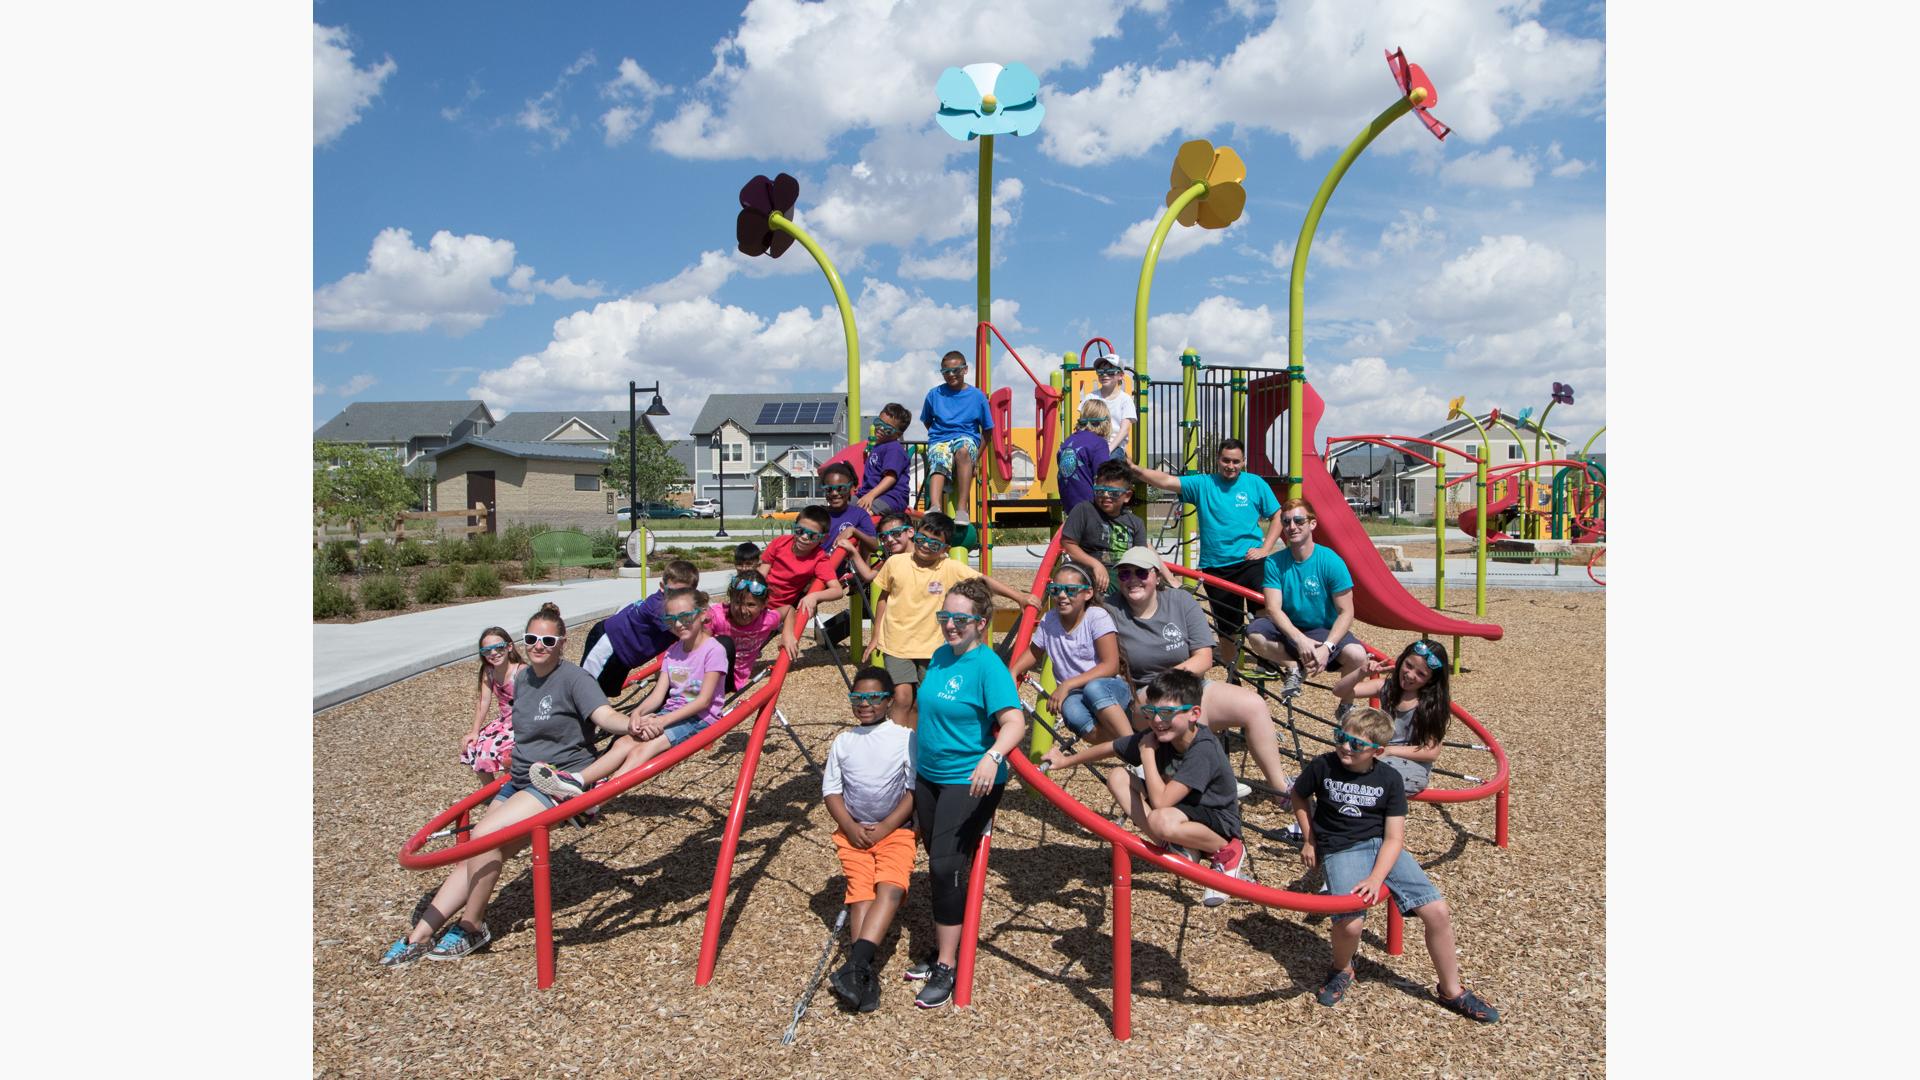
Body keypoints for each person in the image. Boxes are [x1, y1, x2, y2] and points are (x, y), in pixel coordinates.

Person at [380, 603, 632, 966]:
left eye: (547, 639)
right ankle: (419, 934)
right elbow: (515, 720)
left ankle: (473, 926)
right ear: (523, 642)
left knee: (484, 837)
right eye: (532, 639)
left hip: (553, 782)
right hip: (520, 780)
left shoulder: (575, 679)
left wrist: (633, 724)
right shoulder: (524, 679)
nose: (539, 645)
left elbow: (604, 716)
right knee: (474, 854)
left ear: (563, 642)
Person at [1291, 706, 1498, 1022]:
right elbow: (1299, 796)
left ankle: (1451, 990)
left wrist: (1377, 878)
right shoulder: (1323, 766)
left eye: (1356, 744)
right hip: (1341, 847)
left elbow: (1393, 838)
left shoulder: (1389, 779)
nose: (1346, 747)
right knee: (1350, 921)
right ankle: (1341, 968)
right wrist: (1310, 838)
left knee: (1437, 911)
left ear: (1378, 750)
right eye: (1341, 738)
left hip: (1381, 847)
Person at [900, 577, 1026, 1009]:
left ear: (981, 622)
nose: (950, 626)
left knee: (944, 863)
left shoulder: (987, 666)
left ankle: (947, 964)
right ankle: (941, 945)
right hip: (930, 775)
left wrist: (991, 757)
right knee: (938, 862)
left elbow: (1014, 722)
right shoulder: (939, 656)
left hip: (968, 777)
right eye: (945, 616)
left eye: (960, 619)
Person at [1041, 670, 1246, 906]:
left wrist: (1147, 755)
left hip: (1216, 819)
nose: (1158, 721)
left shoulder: (1203, 749)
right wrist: (1066, 761)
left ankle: (1227, 852)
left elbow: (1161, 803)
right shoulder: (1159, 735)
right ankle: (1177, 845)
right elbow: (1111, 747)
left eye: (1167, 713)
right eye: (1152, 712)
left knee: (1161, 819)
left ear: (1194, 714)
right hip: (1181, 811)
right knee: (1118, 776)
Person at [1105, 546, 1292, 801]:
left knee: (1254, 705)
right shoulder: (1110, 610)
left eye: (1141, 572)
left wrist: (1170, 680)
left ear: (1157, 576)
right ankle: (1215, 778)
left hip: (1189, 685)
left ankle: (1280, 789)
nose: (1133, 579)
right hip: (1146, 695)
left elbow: (1203, 657)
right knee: (1187, 715)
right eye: (1124, 574)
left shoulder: (1179, 601)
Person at [529, 589, 728, 800]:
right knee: (623, 742)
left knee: (640, 751)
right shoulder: (673, 651)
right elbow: (658, 695)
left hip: (700, 718)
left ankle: (596, 801)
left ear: (702, 613)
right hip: (670, 713)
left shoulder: (713, 650)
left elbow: (704, 700)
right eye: (671, 620)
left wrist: (662, 720)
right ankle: (576, 780)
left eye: (685, 617)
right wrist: (637, 713)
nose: (679, 625)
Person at [863, 512, 1038, 728]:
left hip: (931, 647)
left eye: (934, 544)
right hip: (896, 642)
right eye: (921, 539)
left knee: (922, 701)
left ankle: (916, 743)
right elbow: (884, 598)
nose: (925, 546)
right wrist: (875, 634)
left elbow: (983, 580)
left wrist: (1019, 596)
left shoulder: (949, 567)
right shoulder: (896, 562)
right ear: (915, 536)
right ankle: (898, 747)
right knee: (902, 697)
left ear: (945, 549)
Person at [1128, 440, 1282, 669]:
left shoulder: (1255, 484)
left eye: (1236, 461)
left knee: (1266, 606)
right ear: (1218, 460)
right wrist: (1136, 470)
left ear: (1244, 462)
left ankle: (1266, 662)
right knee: (1227, 629)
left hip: (1250, 561)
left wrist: (1265, 548)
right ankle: (1233, 676)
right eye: (1226, 460)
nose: (1230, 466)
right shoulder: (1204, 484)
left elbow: (1277, 514)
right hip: (1216, 566)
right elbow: (1167, 481)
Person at [823, 666, 918, 1013]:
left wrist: (887, 827)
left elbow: (912, 791)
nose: (865, 704)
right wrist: (849, 827)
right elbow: (832, 791)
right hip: (854, 832)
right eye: (857, 698)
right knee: (860, 892)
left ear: (890, 701)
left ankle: (856, 966)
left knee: (891, 887)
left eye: (874, 698)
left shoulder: (904, 737)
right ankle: (860, 971)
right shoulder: (843, 741)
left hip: (895, 831)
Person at [1245, 498, 1371, 697]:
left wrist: (1327, 648)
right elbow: (1273, 608)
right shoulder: (1275, 562)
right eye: (1286, 522)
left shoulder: (1331, 561)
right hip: (1290, 627)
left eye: (1298, 521)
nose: (1292, 527)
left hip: (1323, 630)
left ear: (1312, 524)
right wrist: (1299, 639)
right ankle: (1294, 668)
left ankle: (1346, 705)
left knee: (1358, 655)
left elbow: (1346, 612)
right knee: (1254, 634)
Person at [1008, 563, 1130, 743]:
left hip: (1107, 687)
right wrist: (1013, 671)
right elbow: (1034, 652)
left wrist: (1066, 685)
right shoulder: (1050, 619)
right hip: (1075, 695)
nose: (1062, 595)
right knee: (1071, 714)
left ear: (1088, 593)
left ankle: (1134, 747)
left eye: (1071, 590)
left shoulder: (1096, 616)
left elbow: (1111, 665)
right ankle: (1124, 743)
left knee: (1094, 689)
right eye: (1055, 589)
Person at [1328, 639, 1452, 797]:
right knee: (1337, 765)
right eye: (1408, 665)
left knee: (1363, 777)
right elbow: (1339, 691)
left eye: (1421, 674)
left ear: (1431, 680)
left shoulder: (1431, 705)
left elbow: (1431, 752)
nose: (1410, 675)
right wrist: (1361, 673)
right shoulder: (1387, 688)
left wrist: (1390, 750)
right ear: (1402, 660)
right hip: (1379, 754)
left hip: (1411, 765)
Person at [578, 559, 700, 697]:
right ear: (662, 586)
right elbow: (685, 631)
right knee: (586, 690)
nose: (678, 598)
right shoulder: (658, 607)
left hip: (624, 656)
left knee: (604, 692)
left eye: (684, 593)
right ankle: (569, 716)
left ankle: (592, 716)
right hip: (609, 642)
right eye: (673, 592)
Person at [758, 505, 848, 655]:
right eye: (799, 531)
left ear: (823, 538)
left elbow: (837, 590)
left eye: (812, 536)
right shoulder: (779, 543)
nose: (804, 537)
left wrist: (813, 596)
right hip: (758, 602)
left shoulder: (819, 558)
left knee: (750, 647)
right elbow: (761, 575)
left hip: (780, 611)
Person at [1061, 459, 1157, 598]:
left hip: (1125, 574)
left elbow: (1140, 557)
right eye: (1100, 491)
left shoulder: (1135, 523)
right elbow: (1068, 543)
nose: (1106, 496)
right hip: (1091, 572)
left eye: (1113, 493)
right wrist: (1095, 564)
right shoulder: (1084, 510)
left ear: (1127, 496)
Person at [920, 349, 993, 526]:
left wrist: (975, 458)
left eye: (956, 370)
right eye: (946, 372)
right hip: (941, 437)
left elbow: (988, 430)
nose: (951, 375)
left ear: (965, 370)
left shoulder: (977, 396)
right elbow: (927, 420)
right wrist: (939, 437)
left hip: (966, 437)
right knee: (939, 454)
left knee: (963, 450)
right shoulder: (934, 394)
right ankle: (936, 505)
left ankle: (962, 508)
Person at [822, 511, 914, 649]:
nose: (889, 540)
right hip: (901, 622)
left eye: (895, 533)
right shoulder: (892, 560)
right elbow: (869, 575)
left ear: (910, 532)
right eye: (884, 537)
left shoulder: (924, 555)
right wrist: (852, 551)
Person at [459, 627, 526, 786]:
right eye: (487, 650)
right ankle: (490, 793)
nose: (494, 653)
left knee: (508, 755)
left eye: (499, 647)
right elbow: (483, 700)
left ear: (509, 647)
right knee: (474, 746)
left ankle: (514, 790)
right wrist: (474, 731)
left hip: (523, 722)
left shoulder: (521, 671)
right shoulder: (489, 671)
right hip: (504, 722)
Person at [707, 570, 781, 693]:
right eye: (737, 602)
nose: (743, 610)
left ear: (764, 604)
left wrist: (788, 635)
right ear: (730, 598)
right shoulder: (718, 617)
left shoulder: (766, 619)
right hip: (712, 676)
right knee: (724, 643)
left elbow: (788, 611)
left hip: (734, 682)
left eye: (751, 605)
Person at [854, 403, 914, 523]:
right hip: (871, 494)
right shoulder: (878, 445)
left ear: (898, 434)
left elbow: (891, 477)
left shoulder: (894, 448)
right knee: (842, 505)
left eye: (887, 429)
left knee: (862, 514)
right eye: (878, 423)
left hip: (891, 497)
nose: (880, 429)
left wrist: (871, 495)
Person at [1056, 398, 1113, 514]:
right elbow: (1104, 479)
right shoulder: (1098, 444)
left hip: (1070, 508)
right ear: (1105, 421)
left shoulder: (1067, 443)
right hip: (1091, 510)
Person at [1088, 356, 1136, 457]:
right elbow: (1084, 424)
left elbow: (1124, 430)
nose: (1104, 375)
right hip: (1093, 444)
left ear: (1121, 375)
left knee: (1109, 463)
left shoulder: (1125, 400)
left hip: (1115, 445)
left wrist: (1109, 449)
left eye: (1110, 371)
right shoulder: (1091, 397)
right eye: (1100, 371)